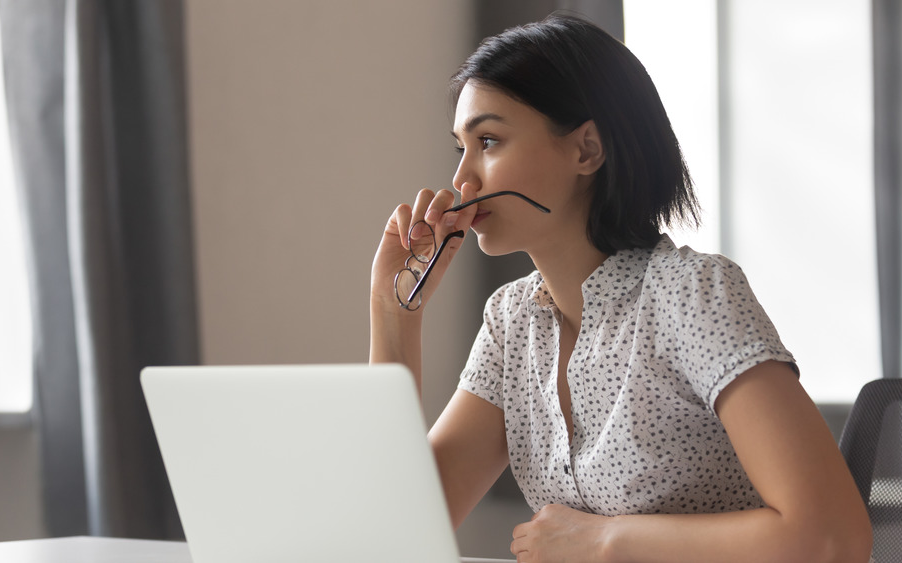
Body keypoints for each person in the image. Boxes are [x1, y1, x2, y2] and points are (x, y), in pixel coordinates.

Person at [369, 13, 872, 563]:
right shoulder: (511, 323)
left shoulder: (692, 295)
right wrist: (393, 311)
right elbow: (396, 528)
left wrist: (604, 540)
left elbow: (831, 537)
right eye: (460, 148)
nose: (462, 180)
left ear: (587, 150)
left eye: (488, 140)